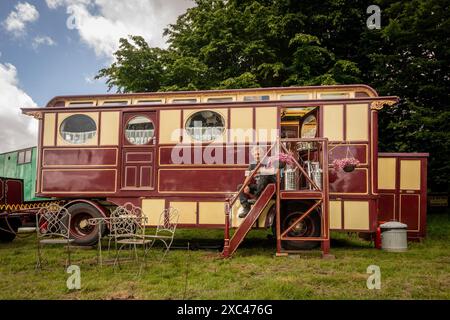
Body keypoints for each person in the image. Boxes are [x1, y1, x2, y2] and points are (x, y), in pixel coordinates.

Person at [237, 146, 276, 218]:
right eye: (255, 154)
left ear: (263, 154)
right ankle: (246, 207)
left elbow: (272, 171)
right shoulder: (252, 165)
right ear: (253, 155)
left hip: (269, 189)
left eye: (259, 154)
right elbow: (248, 176)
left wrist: (260, 170)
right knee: (240, 186)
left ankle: (257, 198)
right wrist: (245, 186)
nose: (257, 156)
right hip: (258, 188)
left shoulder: (268, 162)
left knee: (264, 176)